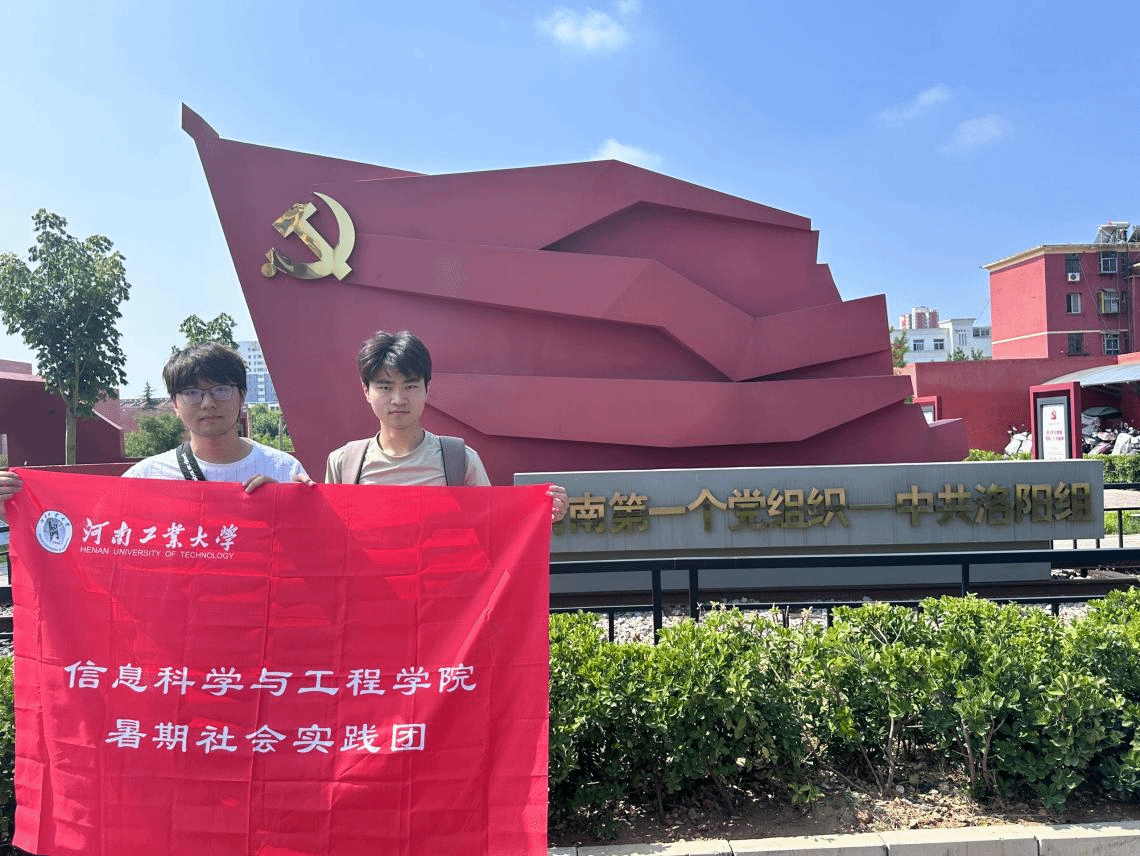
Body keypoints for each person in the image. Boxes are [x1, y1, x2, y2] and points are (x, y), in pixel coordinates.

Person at [0, 343, 306, 523]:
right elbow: (89, 535)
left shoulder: (283, 470)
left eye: (221, 389)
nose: (208, 403)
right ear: (175, 404)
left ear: (242, 396)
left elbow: (315, 556)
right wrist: (16, 510)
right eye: (192, 393)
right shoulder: (145, 477)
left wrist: (297, 508)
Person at [325, 330, 568, 521]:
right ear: (366, 391)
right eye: (385, 387)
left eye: (410, 386)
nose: (398, 399)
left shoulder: (459, 461)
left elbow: (493, 527)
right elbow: (328, 540)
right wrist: (305, 500)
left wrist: (541, 511)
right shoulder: (344, 464)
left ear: (427, 388)